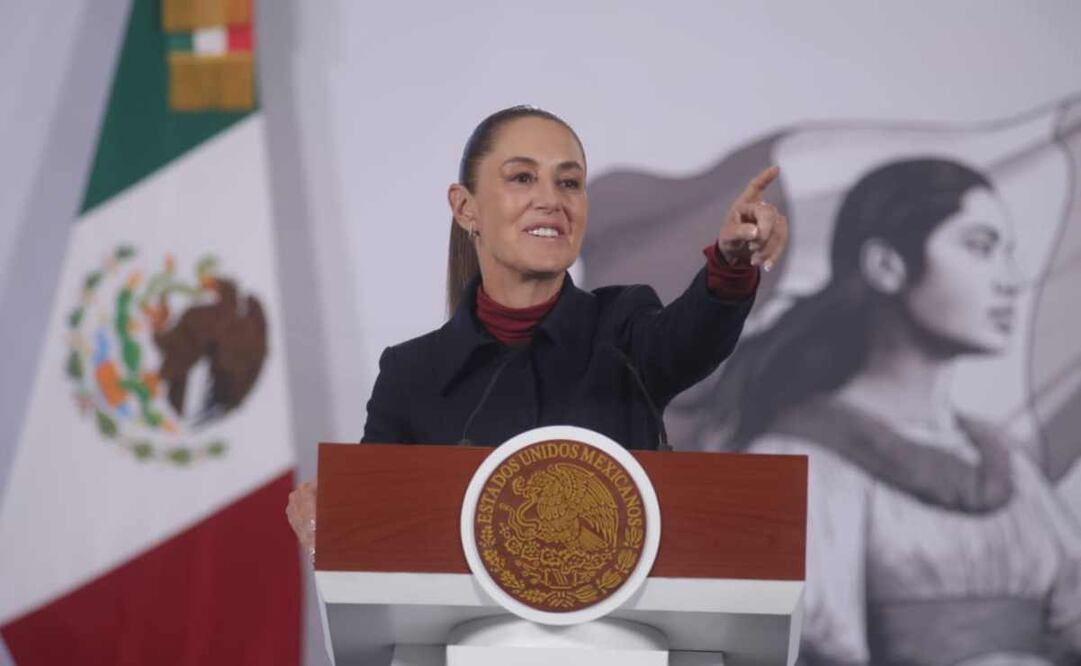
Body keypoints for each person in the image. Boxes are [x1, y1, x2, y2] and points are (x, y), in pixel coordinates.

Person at [286, 105, 790, 554]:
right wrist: (333, 512)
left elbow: (692, 337)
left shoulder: (624, 329)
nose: (551, 200)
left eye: (569, 182)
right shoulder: (411, 373)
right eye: (522, 178)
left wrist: (731, 261)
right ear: (466, 208)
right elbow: (372, 521)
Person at [708, 158, 1081, 665]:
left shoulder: (1010, 468)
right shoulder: (798, 463)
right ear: (887, 265)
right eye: (979, 247)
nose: (1012, 280)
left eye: (1008, 253)